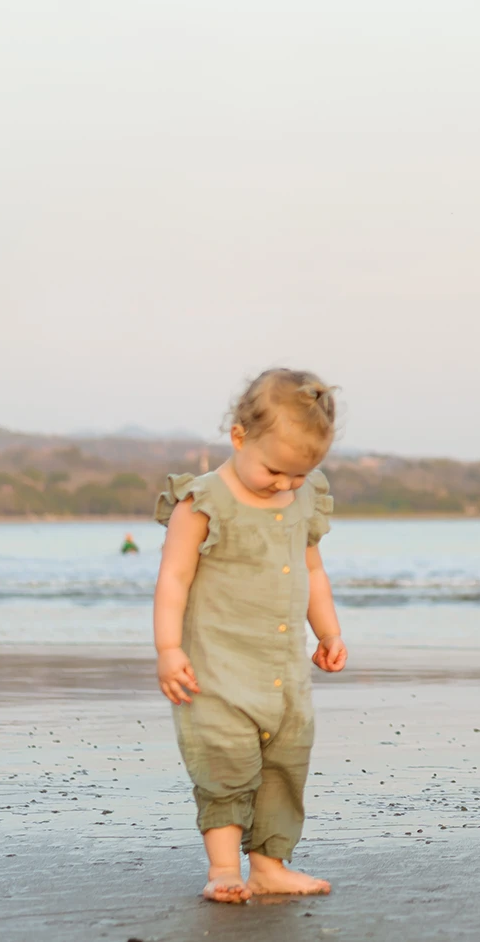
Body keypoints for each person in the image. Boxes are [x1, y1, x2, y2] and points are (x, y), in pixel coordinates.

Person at [152, 368, 349, 901]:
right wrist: (169, 650)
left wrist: (327, 631)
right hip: (214, 670)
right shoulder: (203, 502)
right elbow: (174, 578)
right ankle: (222, 870)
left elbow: (312, 570)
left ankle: (269, 865)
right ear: (239, 437)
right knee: (225, 764)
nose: (285, 484)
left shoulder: (303, 500)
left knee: (285, 767)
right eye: (274, 470)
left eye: (299, 475)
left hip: (283, 673)